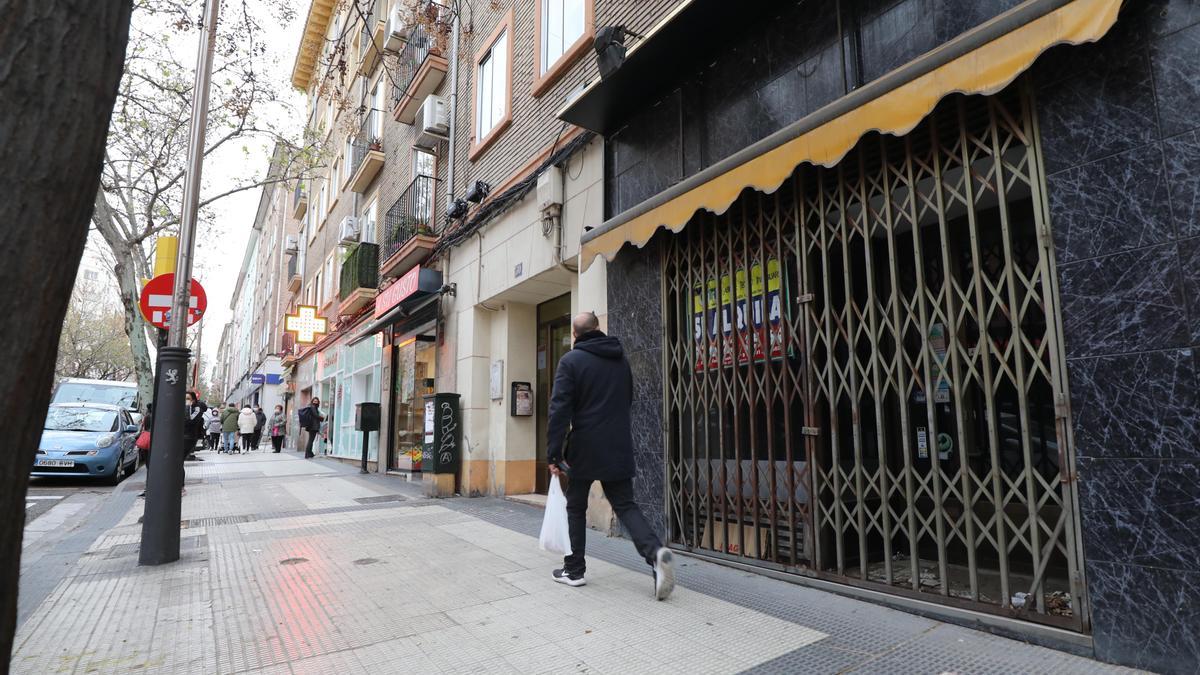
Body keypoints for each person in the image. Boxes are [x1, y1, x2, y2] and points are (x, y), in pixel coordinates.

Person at [546, 311, 675, 600]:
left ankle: (574, 570)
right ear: (598, 329)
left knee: (576, 506)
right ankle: (655, 554)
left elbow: (559, 411)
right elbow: (627, 399)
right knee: (625, 505)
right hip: (617, 443)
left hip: (583, 447)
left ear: (575, 334)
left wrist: (554, 454)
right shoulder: (621, 360)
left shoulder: (571, 361)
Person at [184, 392, 206, 462]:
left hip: (188, 437)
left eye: (188, 399)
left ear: (193, 400)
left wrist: (187, 407)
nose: (186, 400)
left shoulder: (197, 409)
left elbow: (189, 421)